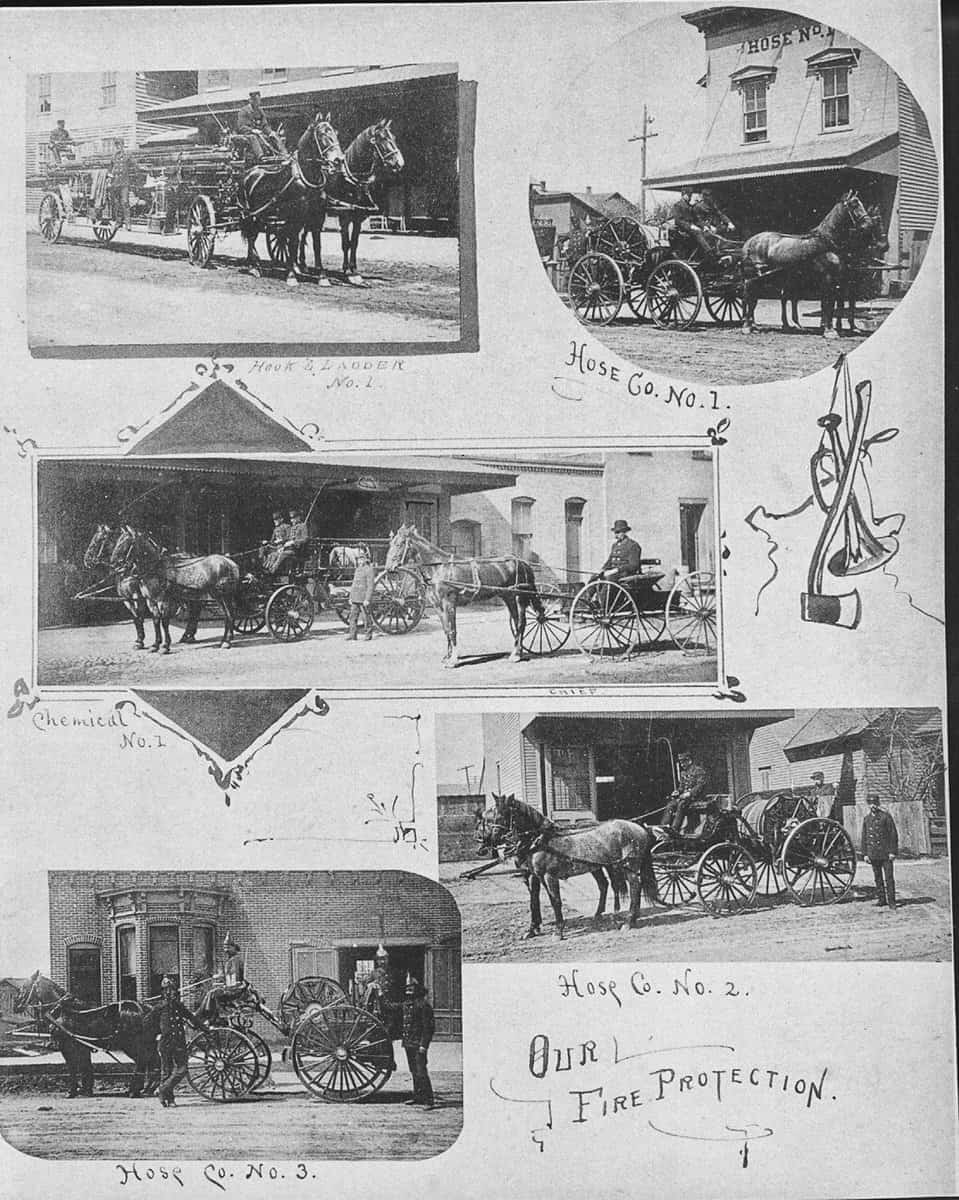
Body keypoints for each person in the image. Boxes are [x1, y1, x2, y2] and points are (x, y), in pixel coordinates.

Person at [156, 976, 206, 1107]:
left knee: (182, 1069)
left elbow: (191, 1018)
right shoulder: (160, 1007)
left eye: (172, 990)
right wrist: (158, 1034)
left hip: (179, 1043)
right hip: (166, 1043)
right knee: (166, 1072)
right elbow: (148, 1023)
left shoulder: (178, 1006)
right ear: (163, 992)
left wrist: (205, 1029)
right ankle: (169, 1099)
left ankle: (162, 1089)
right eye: (167, 990)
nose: (170, 992)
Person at [401, 977, 436, 1110]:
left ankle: (429, 1100)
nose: (408, 991)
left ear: (417, 991)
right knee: (414, 1071)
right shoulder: (407, 1004)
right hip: (409, 1043)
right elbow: (392, 1007)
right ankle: (418, 1096)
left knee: (421, 1071)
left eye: (411, 989)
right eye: (407, 989)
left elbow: (428, 1028)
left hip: (418, 1045)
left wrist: (423, 1046)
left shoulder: (423, 1005)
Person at [861, 793, 899, 910]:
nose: (872, 806)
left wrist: (892, 851)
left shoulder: (885, 817)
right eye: (870, 803)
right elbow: (864, 837)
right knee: (877, 877)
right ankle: (882, 899)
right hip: (873, 853)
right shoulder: (867, 819)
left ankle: (892, 902)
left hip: (885, 853)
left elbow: (893, 835)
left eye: (874, 803)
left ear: (878, 804)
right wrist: (865, 854)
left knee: (889, 878)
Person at [663, 751, 709, 833]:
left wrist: (689, 794)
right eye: (681, 762)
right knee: (671, 804)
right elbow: (682, 787)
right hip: (685, 798)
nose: (682, 765)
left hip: (696, 798)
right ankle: (664, 826)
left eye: (683, 762)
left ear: (689, 761)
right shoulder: (683, 773)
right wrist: (677, 791)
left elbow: (700, 786)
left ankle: (675, 828)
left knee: (681, 804)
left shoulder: (699, 771)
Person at [236, 90, 282, 162]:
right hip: (247, 134)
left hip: (260, 134)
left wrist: (270, 132)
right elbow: (241, 127)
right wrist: (252, 130)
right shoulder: (243, 111)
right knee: (253, 137)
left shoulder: (260, 111)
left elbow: (265, 125)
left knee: (273, 136)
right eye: (256, 101)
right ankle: (261, 156)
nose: (258, 103)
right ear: (251, 101)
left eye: (259, 101)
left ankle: (281, 153)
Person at [669, 187, 712, 260]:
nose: (690, 197)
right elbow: (678, 221)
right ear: (684, 195)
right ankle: (709, 251)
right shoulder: (677, 205)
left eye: (691, 195)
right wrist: (691, 226)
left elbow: (696, 220)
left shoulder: (690, 207)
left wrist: (705, 226)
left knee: (707, 233)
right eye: (689, 195)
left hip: (690, 228)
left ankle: (702, 254)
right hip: (682, 229)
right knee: (697, 232)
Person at [346, 547, 376, 641]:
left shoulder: (369, 569)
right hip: (355, 597)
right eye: (359, 559)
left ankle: (368, 634)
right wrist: (351, 597)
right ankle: (352, 635)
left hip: (363, 598)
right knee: (352, 617)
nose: (360, 561)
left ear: (365, 560)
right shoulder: (357, 570)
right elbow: (354, 584)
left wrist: (367, 599)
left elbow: (370, 586)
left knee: (366, 618)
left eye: (361, 559)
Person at [269, 508, 310, 576]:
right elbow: (288, 539)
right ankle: (270, 569)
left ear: (298, 518)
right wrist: (283, 547)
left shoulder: (303, 526)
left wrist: (293, 542)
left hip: (298, 551)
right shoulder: (293, 528)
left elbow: (305, 539)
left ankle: (273, 571)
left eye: (293, 518)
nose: (291, 520)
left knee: (283, 554)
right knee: (276, 554)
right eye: (291, 519)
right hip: (291, 549)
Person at [109, 138, 137, 230]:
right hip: (115, 183)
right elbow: (110, 169)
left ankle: (128, 223)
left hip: (124, 183)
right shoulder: (113, 157)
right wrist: (109, 179)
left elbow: (135, 165)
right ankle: (118, 222)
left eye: (119, 145)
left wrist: (142, 169)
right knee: (117, 203)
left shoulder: (127, 156)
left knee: (125, 202)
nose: (118, 147)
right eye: (116, 145)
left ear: (122, 145)